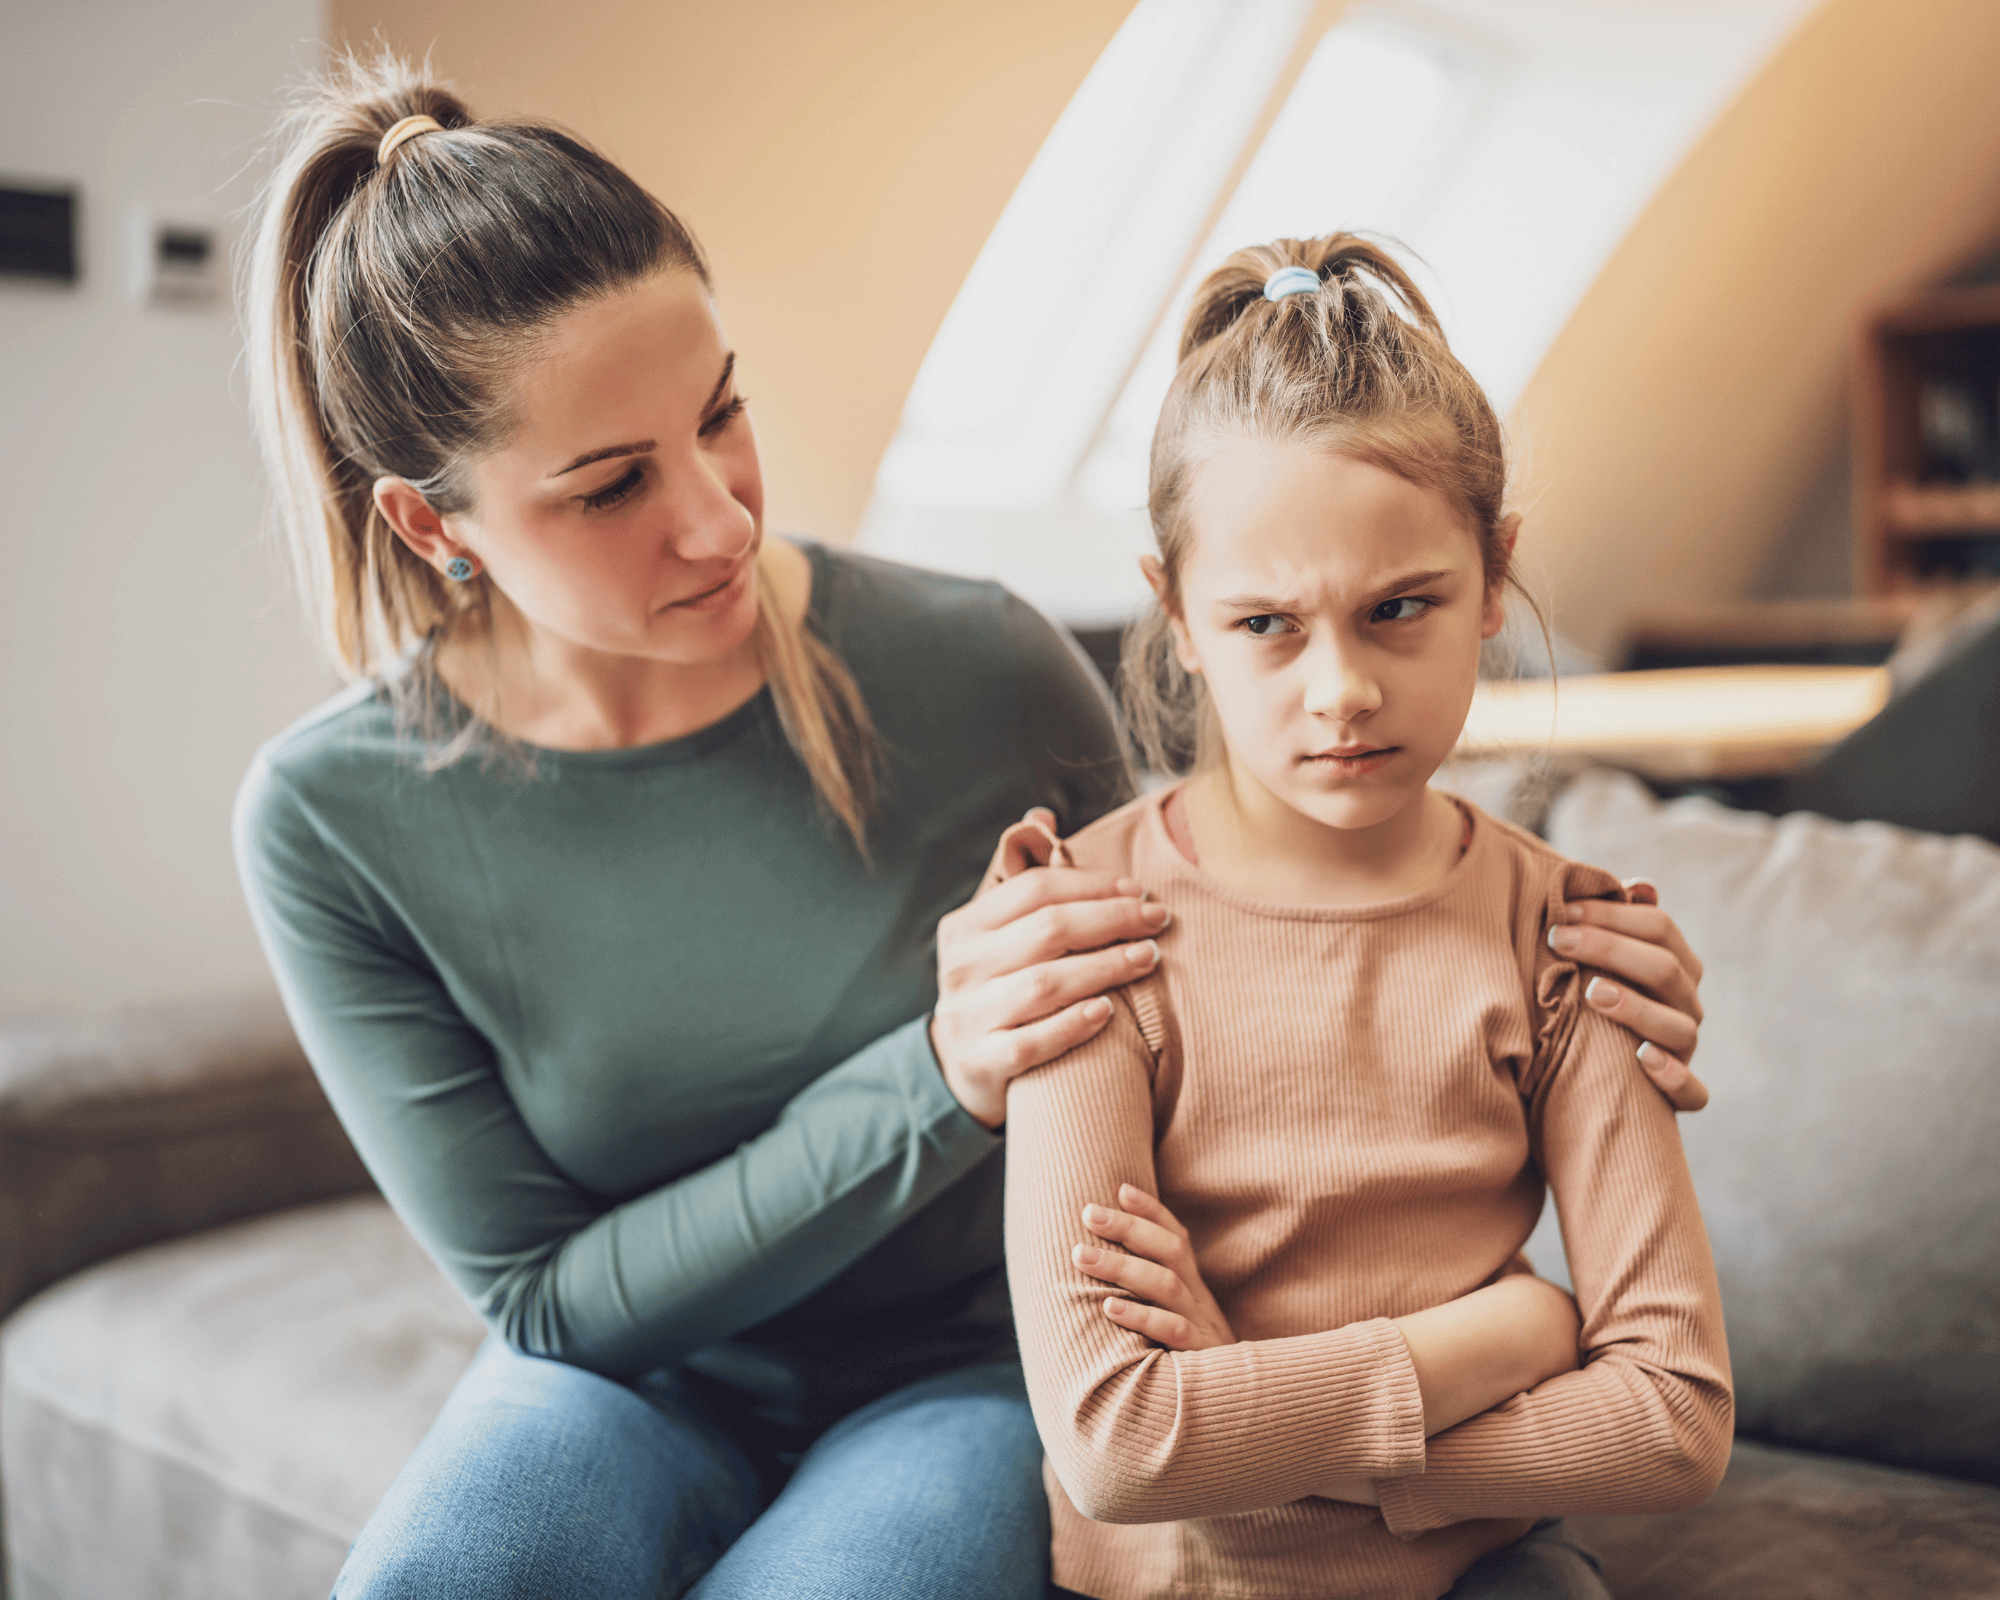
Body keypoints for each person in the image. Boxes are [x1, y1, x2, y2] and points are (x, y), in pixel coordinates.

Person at [234, 55, 1713, 1600]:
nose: (722, 515)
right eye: (610, 487)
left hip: (971, 1366)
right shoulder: (330, 819)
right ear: (431, 520)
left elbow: (1262, 907)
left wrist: (1570, 978)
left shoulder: (972, 660)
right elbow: (547, 1298)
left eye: (722, 413)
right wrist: (941, 1074)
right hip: (625, 1380)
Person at [1000, 239, 1733, 1600]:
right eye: (1268, 624)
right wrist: (1514, 1336)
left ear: (1495, 574)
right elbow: (1120, 1446)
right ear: (1175, 615)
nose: (1341, 688)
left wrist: (1263, 1411)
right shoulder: (1085, 930)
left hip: (1484, 1574)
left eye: (1401, 609)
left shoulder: (1568, 939)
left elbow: (1674, 1419)